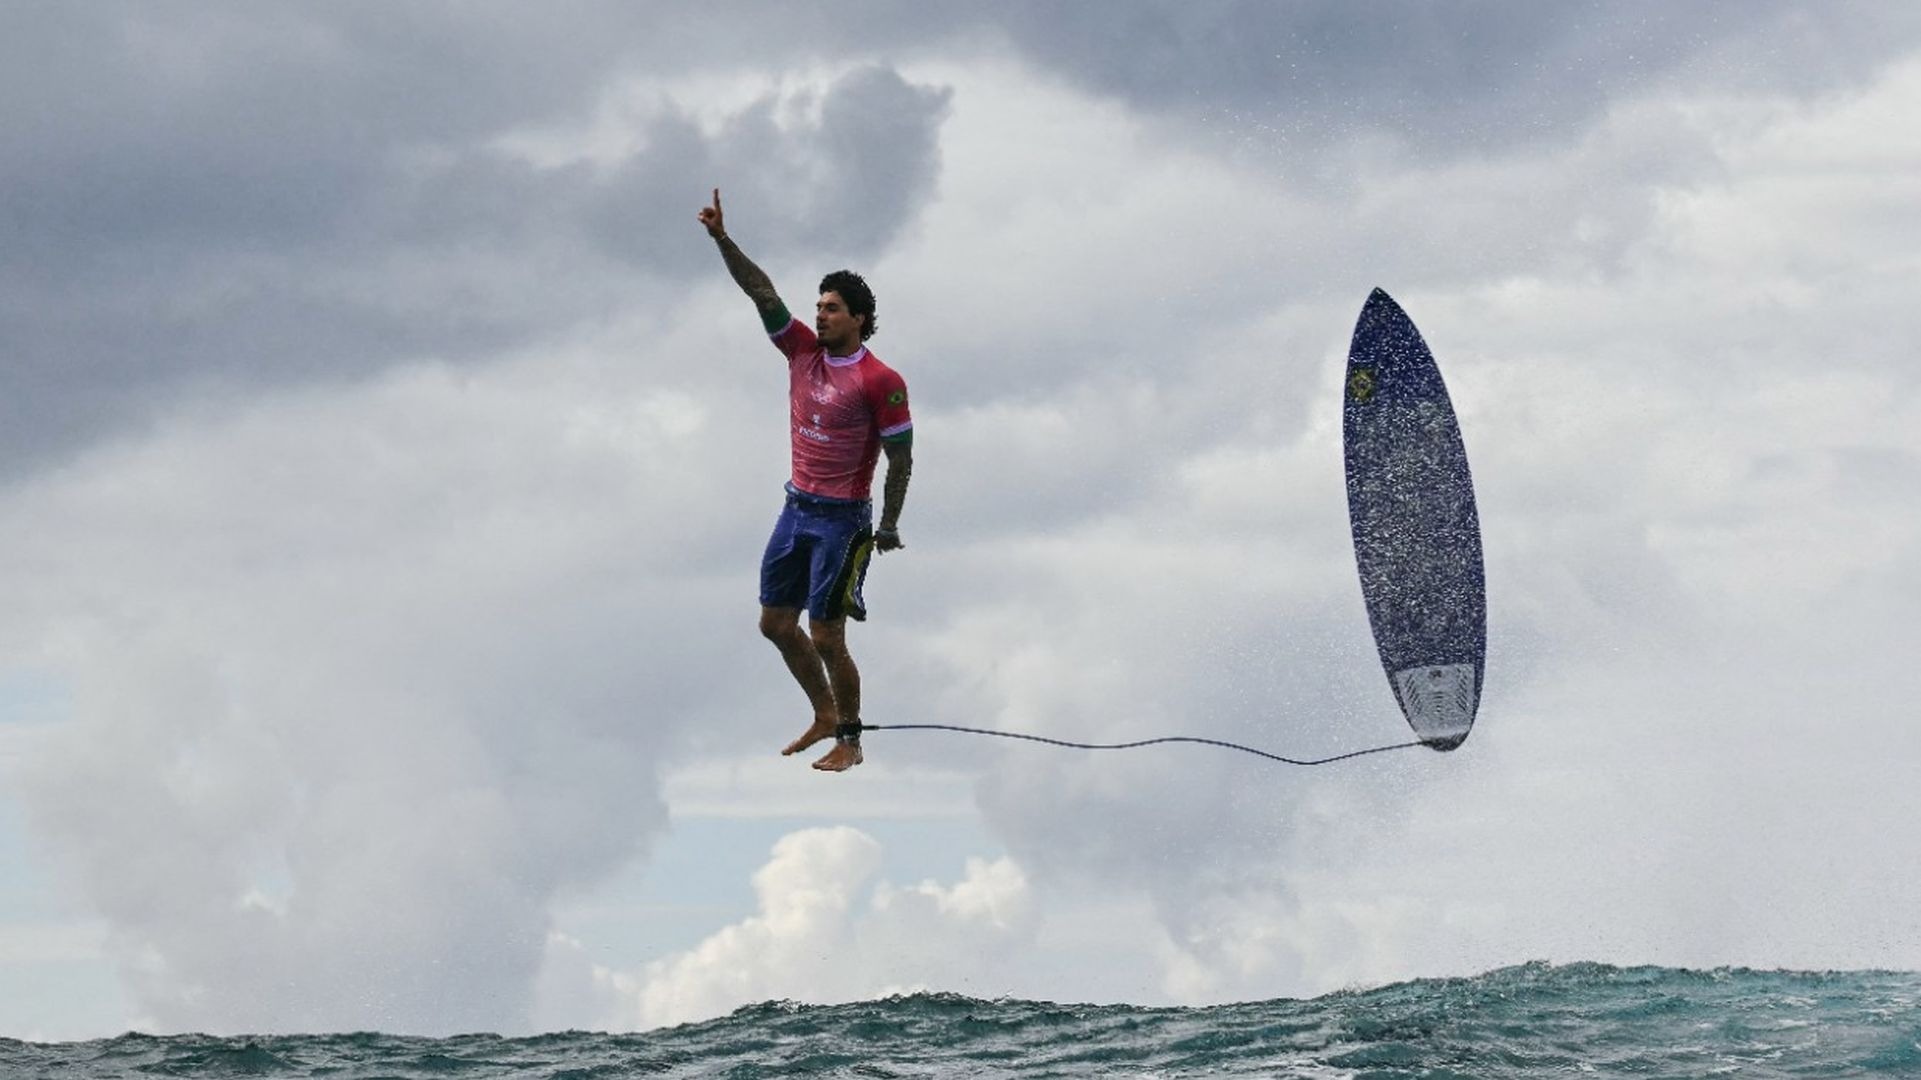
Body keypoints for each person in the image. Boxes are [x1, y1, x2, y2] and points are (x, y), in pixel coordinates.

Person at [697, 188, 913, 772]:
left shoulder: (880, 379)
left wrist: (888, 524)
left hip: (843, 521)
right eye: (818, 306)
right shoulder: (800, 352)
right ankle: (822, 712)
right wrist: (722, 239)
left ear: (859, 319)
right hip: (796, 509)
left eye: (832, 308)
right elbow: (761, 291)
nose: (819, 315)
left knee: (826, 635)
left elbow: (901, 457)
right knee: (774, 624)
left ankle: (851, 739)